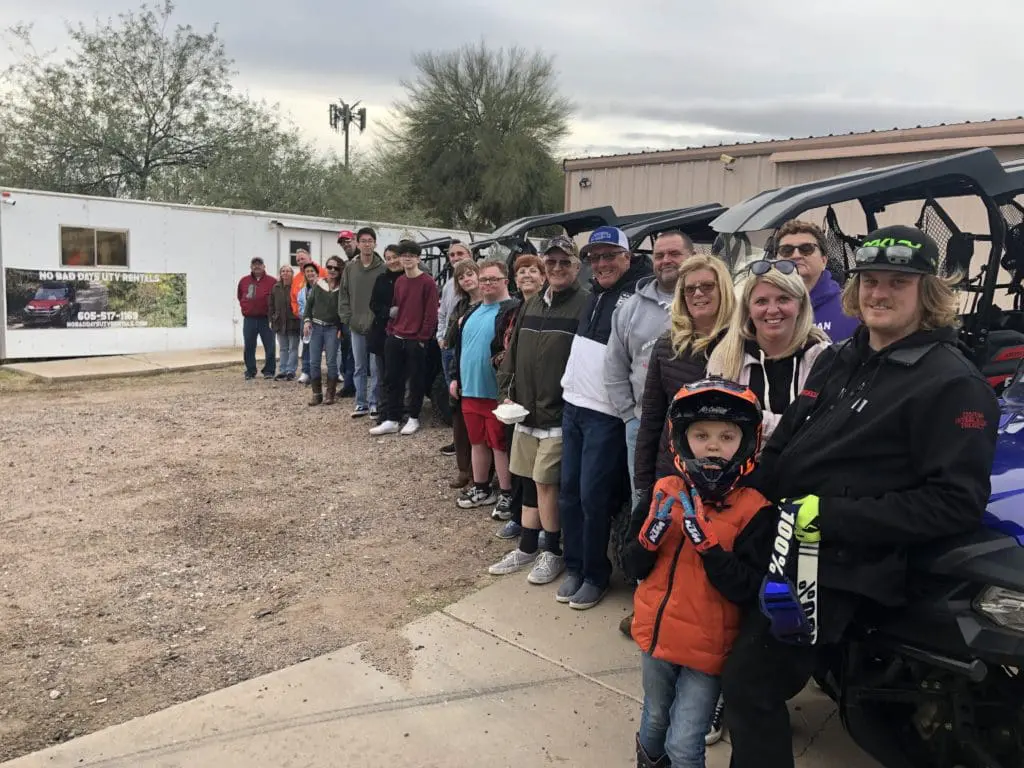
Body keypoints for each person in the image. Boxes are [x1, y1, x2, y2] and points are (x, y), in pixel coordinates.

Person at [722, 225, 1000, 768]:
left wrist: (826, 517)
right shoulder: (840, 357)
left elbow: (954, 503)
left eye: (899, 281)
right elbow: (786, 445)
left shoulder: (952, 385)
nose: (880, 293)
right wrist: (741, 500)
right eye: (870, 281)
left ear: (929, 293)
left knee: (749, 683)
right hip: (787, 539)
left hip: (846, 565)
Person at [622, 378, 774, 768]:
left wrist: (710, 550)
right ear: (680, 440)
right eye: (701, 435)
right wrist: (648, 540)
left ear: (747, 443)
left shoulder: (755, 509)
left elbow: (751, 588)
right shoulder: (664, 491)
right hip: (657, 637)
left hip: (708, 650)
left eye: (727, 437)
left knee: (685, 743)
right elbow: (631, 565)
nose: (712, 446)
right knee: (654, 719)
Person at [557, 226, 652, 610]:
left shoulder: (633, 298)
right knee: (568, 495)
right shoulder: (594, 294)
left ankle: (595, 574)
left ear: (627, 258)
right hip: (573, 407)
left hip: (605, 414)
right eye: (595, 258)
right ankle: (575, 566)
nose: (601, 264)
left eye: (609, 255)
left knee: (594, 499)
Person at [495, 236, 589, 585]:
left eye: (565, 262)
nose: (557, 268)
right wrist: (506, 393)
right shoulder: (531, 304)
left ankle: (553, 551)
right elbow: (512, 353)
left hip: (558, 416)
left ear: (577, 267)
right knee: (529, 482)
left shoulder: (585, 304)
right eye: (551, 263)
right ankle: (528, 546)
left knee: (547, 483)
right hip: (524, 413)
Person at [605, 230, 693, 502]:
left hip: (695, 429)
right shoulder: (630, 308)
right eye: (659, 255)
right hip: (642, 423)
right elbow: (615, 364)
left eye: (674, 254)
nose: (666, 260)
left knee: (689, 502)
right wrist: (629, 415)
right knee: (643, 500)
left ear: (692, 257)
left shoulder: (708, 302)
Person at [707, 259, 831, 442]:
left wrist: (752, 418)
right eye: (761, 301)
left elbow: (823, 427)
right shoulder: (725, 356)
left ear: (801, 305)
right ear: (748, 309)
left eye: (783, 299)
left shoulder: (823, 357)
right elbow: (716, 422)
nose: (772, 310)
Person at [450, 260, 521, 517]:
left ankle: (506, 492)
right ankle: (481, 487)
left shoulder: (512, 310)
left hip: (496, 394)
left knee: (499, 445)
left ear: (505, 281)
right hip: (470, 390)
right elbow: (461, 350)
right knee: (477, 441)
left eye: (493, 279)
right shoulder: (471, 312)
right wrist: (455, 378)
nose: (488, 284)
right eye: (484, 279)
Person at [493, 253, 546, 540]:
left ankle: (540, 525)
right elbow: (499, 347)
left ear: (543, 276)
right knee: (518, 464)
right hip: (513, 399)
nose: (527, 275)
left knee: (541, 470)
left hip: (540, 402)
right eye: (522, 271)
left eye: (533, 271)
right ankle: (518, 516)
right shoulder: (511, 312)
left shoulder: (547, 308)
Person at [370, 240, 439, 436]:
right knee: (392, 379)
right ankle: (392, 419)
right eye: (404, 255)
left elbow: (431, 313)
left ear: (418, 258)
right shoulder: (400, 282)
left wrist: (422, 337)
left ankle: (413, 418)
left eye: (411, 255)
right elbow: (396, 306)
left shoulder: (427, 282)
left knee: (416, 380)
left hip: (415, 339)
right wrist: (391, 330)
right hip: (395, 336)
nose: (407, 258)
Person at [772, 219, 859, 342]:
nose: (796, 255)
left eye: (806, 248)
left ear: (824, 260)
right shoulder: (762, 308)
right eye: (786, 250)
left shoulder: (850, 307)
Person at [339, 227, 386, 418]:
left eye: (370, 241)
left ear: (375, 243)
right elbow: (343, 294)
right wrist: (347, 318)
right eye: (363, 241)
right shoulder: (350, 268)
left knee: (376, 368)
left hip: (376, 326)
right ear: (357, 243)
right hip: (356, 325)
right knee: (359, 366)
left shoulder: (382, 268)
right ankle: (361, 403)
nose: (367, 244)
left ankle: (374, 402)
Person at [446, 260, 483, 490]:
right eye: (461, 277)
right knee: (460, 424)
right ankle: (464, 469)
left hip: (480, 372)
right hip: (460, 369)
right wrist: (458, 324)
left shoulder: (491, 303)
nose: (467, 279)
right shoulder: (461, 306)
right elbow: (449, 340)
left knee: (480, 426)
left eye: (470, 274)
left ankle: (482, 473)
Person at [437, 241, 474, 455]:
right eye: (452, 255)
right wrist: (440, 336)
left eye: (460, 253)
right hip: (448, 345)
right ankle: (458, 440)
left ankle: (471, 441)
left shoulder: (476, 281)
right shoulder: (449, 285)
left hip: (466, 346)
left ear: (470, 254)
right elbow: (442, 314)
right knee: (454, 395)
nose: (456, 257)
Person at [302, 255, 345, 406]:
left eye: (336, 268)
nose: (332, 270)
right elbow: (309, 305)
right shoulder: (318, 284)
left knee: (332, 362)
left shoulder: (343, 288)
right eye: (329, 267)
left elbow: (344, 310)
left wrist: (341, 327)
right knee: (314, 361)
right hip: (316, 326)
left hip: (332, 328)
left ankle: (330, 394)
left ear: (341, 270)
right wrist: (307, 321)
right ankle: (316, 394)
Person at [368, 245, 403, 425]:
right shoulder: (381, 279)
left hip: (404, 333)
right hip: (382, 333)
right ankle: (383, 412)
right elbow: (373, 304)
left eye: (395, 257)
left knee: (402, 376)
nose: (392, 261)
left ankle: (401, 411)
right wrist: (387, 312)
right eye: (388, 258)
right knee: (383, 376)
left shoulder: (408, 278)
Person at [237, 256, 277, 381]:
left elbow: (276, 298)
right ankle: (250, 370)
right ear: (251, 267)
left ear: (264, 266)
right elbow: (240, 296)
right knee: (249, 346)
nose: (257, 266)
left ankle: (269, 371)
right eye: (254, 264)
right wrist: (246, 307)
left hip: (266, 319)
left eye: (259, 264)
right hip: (249, 319)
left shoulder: (272, 281)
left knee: (270, 346)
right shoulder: (244, 281)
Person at [291, 250, 327, 385]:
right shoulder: (297, 279)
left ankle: (333, 372)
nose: (301, 261)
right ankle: (306, 371)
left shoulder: (323, 273)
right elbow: (294, 299)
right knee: (306, 345)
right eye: (298, 260)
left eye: (303, 258)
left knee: (326, 346)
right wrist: (300, 314)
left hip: (323, 319)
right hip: (305, 319)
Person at [268, 265, 301, 381]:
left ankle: (291, 371)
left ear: (292, 273)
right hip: (279, 322)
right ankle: (282, 370)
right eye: (283, 271)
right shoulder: (275, 287)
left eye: (288, 271)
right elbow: (271, 305)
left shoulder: (296, 286)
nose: (285, 273)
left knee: (293, 348)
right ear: (280, 274)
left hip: (293, 322)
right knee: (283, 348)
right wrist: (271, 319)